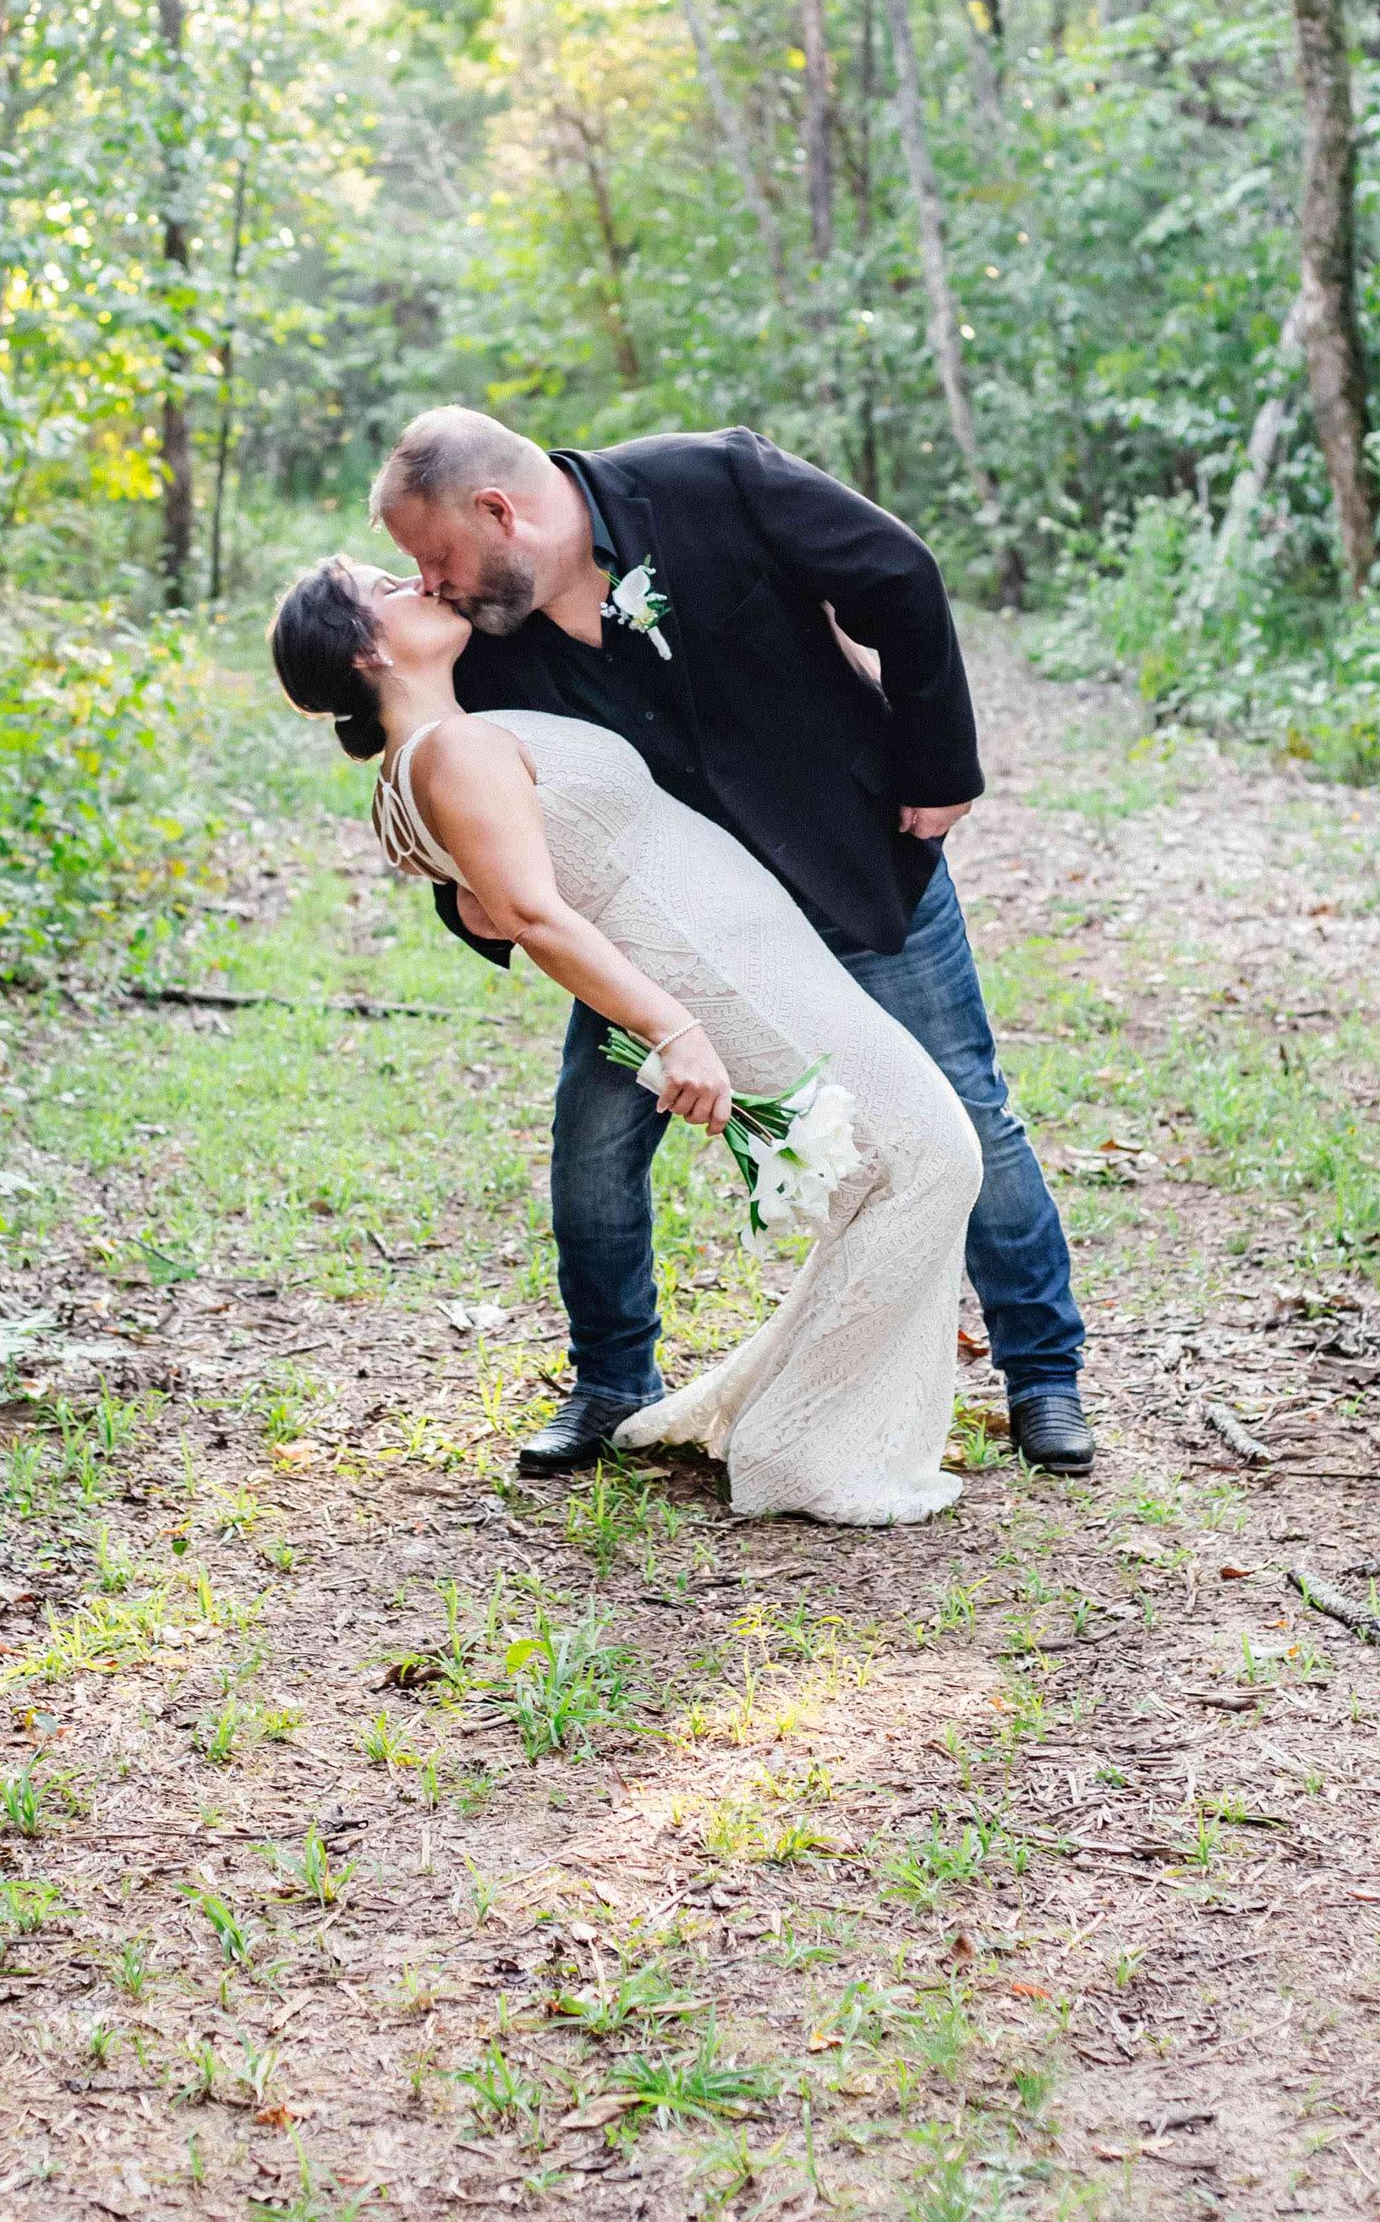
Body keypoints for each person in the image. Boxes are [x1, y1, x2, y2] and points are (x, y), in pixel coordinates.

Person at [367, 407, 1091, 1485]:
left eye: (434, 556)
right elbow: (474, 810)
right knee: (594, 1143)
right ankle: (612, 1380)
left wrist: (939, 769)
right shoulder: (482, 643)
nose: (430, 584)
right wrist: (466, 908)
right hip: (665, 941)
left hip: (850, 868)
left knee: (966, 1105)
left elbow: (898, 573)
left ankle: (1043, 1373)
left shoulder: (712, 480)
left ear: (498, 510)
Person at [268, 559, 982, 1523]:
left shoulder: (421, 762)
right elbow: (527, 912)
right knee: (934, 1159)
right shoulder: (455, 750)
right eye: (388, 587)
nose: (419, 584)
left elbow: (485, 902)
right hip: (720, 969)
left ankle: (779, 1415)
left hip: (733, 946)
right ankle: (805, 1449)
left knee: (891, 1173)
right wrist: (673, 1028)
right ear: (367, 648)